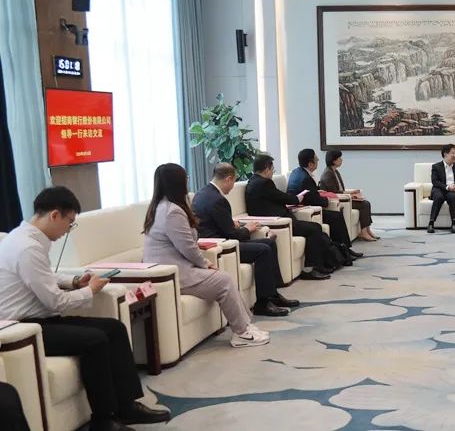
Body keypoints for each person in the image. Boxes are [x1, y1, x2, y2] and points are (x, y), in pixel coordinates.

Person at [0, 187, 170, 431]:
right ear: (54, 215)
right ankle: (103, 419)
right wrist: (90, 290)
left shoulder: (24, 238)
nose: (67, 230)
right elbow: (56, 302)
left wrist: (74, 282)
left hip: (40, 319)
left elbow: (43, 278)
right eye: (69, 223)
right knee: (95, 340)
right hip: (26, 329)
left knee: (114, 329)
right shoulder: (27, 247)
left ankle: (126, 406)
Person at [142, 163, 269, 349]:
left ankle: (245, 326)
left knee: (224, 278)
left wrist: (202, 263)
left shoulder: (161, 207)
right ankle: (242, 333)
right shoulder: (172, 212)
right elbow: (187, 247)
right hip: (173, 273)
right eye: (185, 178)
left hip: (175, 268)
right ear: (178, 183)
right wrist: (203, 263)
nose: (187, 182)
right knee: (224, 281)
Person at [192, 162, 302, 314]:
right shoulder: (218, 200)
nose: (233, 186)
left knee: (270, 243)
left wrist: (232, 223)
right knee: (263, 250)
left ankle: (273, 294)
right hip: (224, 246)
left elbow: (216, 222)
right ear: (228, 179)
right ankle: (263, 303)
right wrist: (247, 229)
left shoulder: (201, 193)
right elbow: (232, 234)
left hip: (220, 238)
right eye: (234, 181)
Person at [245, 154, 344, 276]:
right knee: (315, 228)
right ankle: (311, 267)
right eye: (272, 170)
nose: (272, 173)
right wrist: (297, 199)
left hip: (280, 219)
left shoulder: (253, 181)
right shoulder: (264, 183)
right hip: (279, 222)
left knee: (318, 231)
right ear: (266, 170)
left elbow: (276, 197)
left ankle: (322, 264)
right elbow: (281, 197)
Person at [286, 148, 362, 257]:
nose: (318, 160)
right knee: (336, 217)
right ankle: (344, 251)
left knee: (335, 216)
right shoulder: (306, 178)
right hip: (306, 211)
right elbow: (315, 200)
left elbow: (309, 193)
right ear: (310, 164)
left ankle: (344, 250)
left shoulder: (296, 172)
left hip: (305, 207)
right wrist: (327, 199)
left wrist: (318, 192)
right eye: (316, 159)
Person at [319, 149, 378, 241]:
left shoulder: (335, 172)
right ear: (334, 161)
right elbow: (334, 192)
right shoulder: (328, 173)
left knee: (366, 203)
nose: (341, 160)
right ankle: (363, 232)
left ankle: (367, 230)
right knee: (364, 204)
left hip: (342, 197)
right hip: (337, 201)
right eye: (339, 158)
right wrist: (350, 195)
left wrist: (352, 193)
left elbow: (340, 190)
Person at [429, 144, 455, 234]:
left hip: (453, 190)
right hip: (440, 189)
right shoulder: (436, 166)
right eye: (452, 153)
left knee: (453, 197)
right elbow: (435, 181)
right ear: (445, 154)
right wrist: (447, 187)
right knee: (438, 197)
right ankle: (431, 223)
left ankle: (454, 224)